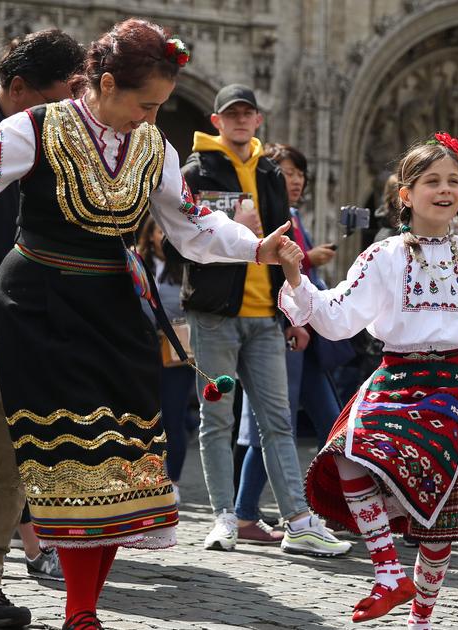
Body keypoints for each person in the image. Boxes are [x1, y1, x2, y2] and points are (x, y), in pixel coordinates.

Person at [0, 19, 296, 630]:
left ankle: (82, 610)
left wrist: (258, 248)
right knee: (66, 456)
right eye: (144, 104)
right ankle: (78, 607)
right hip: (38, 304)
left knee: (124, 461)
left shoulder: (156, 149)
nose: (150, 118)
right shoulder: (34, 128)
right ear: (106, 83)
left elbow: (193, 225)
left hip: (114, 306)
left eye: (160, 108)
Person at [278, 133, 458, 629]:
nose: (445, 190)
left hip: (451, 383)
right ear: (406, 195)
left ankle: (421, 619)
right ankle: (389, 573)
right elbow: (337, 317)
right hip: (394, 376)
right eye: (432, 181)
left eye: (453, 182)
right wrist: (294, 278)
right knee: (347, 456)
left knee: (440, 519)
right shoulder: (383, 257)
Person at [178, 86, 350, 557]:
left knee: (278, 422)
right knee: (215, 418)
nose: (239, 121)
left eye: (247, 113)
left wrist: (293, 311)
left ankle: (298, 521)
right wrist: (234, 227)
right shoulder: (195, 171)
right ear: (216, 121)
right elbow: (185, 240)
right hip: (215, 314)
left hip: (264, 316)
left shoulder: (271, 172)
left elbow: (286, 244)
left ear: (258, 121)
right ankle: (223, 518)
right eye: (231, 114)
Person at [0, 29, 84, 628]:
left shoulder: (54, 145)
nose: (70, 111)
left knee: (13, 467)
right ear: (18, 90)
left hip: (8, 330)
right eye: (61, 97)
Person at [233, 143, 345, 544]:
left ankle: (338, 507)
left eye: (299, 173)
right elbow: (274, 273)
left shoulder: (294, 216)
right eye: (286, 172)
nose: (295, 180)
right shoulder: (267, 220)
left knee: (334, 423)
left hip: (307, 337)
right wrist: (310, 259)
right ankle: (245, 513)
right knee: (275, 425)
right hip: (285, 333)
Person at [137, 216, 194, 504]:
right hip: (141, 350)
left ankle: (172, 479)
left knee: (173, 417)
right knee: (143, 417)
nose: (165, 237)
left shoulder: (184, 268)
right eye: (161, 231)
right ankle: (143, 476)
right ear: (149, 235)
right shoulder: (136, 264)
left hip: (174, 351)